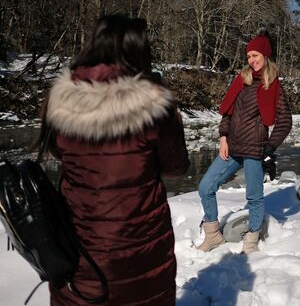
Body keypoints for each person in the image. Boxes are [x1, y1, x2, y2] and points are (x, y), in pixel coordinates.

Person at [40, 15, 190, 305]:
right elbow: (176, 168)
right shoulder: (155, 107)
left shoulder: (60, 100)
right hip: (140, 251)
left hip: (79, 251)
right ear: (137, 52)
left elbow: (59, 154)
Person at [197, 31, 292, 254]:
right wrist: (223, 137)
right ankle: (213, 235)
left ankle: (251, 240)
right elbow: (227, 112)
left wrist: (268, 148)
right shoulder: (242, 80)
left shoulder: (274, 86)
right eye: (249, 56)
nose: (251, 60)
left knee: (254, 197)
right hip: (232, 147)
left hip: (254, 150)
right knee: (205, 186)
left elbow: (285, 122)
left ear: (265, 55)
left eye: (255, 55)